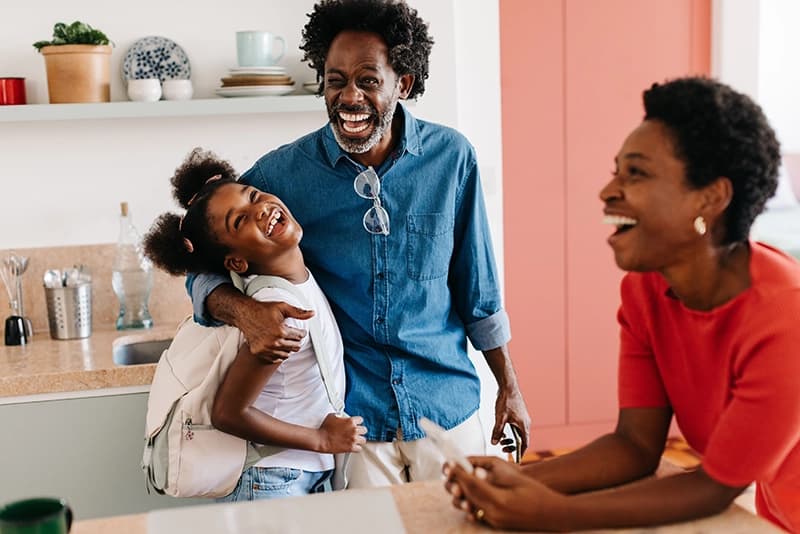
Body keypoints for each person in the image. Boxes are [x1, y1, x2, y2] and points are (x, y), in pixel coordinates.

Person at [187, 0, 531, 488]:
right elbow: (202, 266)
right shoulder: (281, 177)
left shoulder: (451, 157)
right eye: (335, 80)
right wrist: (246, 312)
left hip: (448, 408)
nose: (349, 97)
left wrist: (510, 387)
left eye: (368, 80)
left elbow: (479, 292)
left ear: (402, 84)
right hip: (356, 423)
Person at [445, 76, 800, 532]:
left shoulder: (784, 316)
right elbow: (635, 445)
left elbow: (714, 486)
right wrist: (515, 476)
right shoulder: (645, 292)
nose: (608, 190)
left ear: (710, 198)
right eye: (617, 170)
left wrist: (554, 513)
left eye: (636, 173)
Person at [143, 148, 367, 501]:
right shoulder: (275, 314)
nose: (260, 209)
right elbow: (228, 413)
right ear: (236, 261)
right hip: (272, 479)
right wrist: (321, 440)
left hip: (296, 472)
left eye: (254, 196)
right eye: (240, 221)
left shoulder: (297, 282)